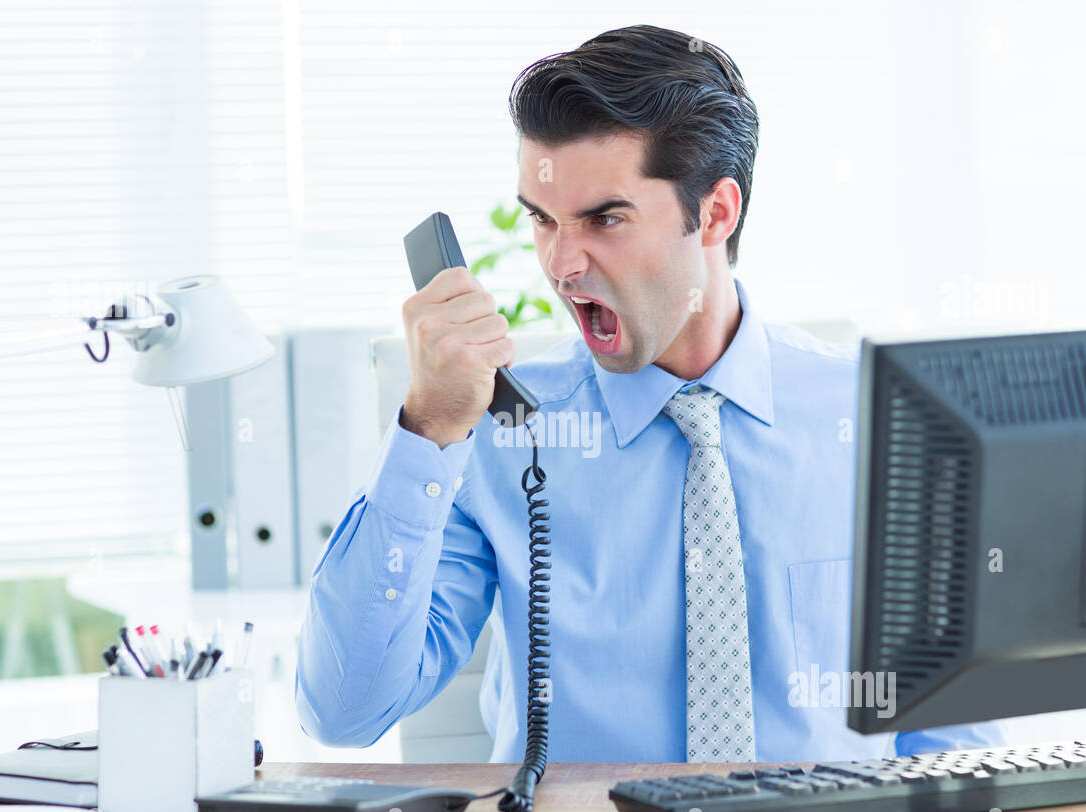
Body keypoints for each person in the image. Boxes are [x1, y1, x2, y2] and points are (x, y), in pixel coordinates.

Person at [296, 24, 1001, 763]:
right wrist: (428, 433)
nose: (562, 264)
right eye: (543, 220)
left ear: (716, 213)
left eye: (605, 218)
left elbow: (954, 744)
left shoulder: (882, 422)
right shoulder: (498, 435)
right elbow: (342, 712)